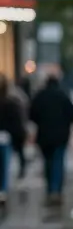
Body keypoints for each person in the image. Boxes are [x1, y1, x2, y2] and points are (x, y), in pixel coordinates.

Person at [28, 75, 73, 203]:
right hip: (61, 135)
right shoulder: (63, 96)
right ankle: (56, 189)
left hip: (44, 135)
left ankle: (51, 187)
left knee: (48, 162)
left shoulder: (40, 96)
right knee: (58, 161)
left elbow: (32, 114)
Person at [0, 74, 26, 205]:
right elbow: (16, 123)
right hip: (5, 138)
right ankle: (2, 191)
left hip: (5, 137)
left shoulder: (12, 102)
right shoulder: (11, 102)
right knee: (4, 166)